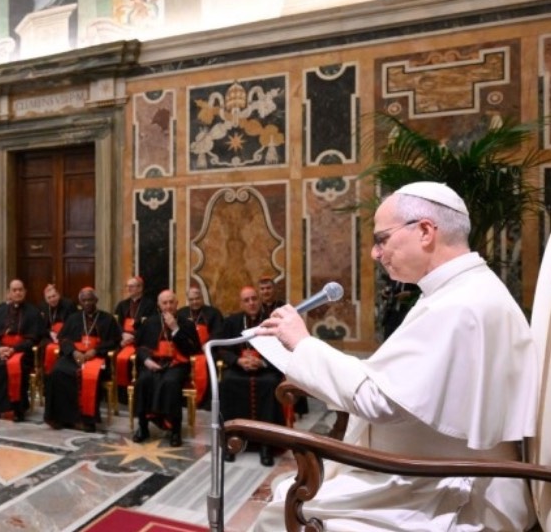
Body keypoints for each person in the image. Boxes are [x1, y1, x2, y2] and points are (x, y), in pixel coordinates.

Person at [252, 182, 538, 530]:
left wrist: (302, 343)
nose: (375, 252)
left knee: (279, 513)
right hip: (426, 472)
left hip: (447, 488)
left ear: (425, 231)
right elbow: (401, 383)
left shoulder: (461, 305)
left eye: (382, 238)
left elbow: (380, 401)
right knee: (286, 497)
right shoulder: (462, 291)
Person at [216, 285, 285, 466]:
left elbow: (282, 350)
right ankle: (231, 441)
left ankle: (266, 445)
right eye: (246, 300)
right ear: (241, 303)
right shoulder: (232, 322)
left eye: (254, 298)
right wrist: (238, 361)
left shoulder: (270, 321)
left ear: (259, 300)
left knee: (270, 385)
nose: (251, 303)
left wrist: (262, 362)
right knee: (227, 383)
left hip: (266, 370)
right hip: (239, 369)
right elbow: (222, 348)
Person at [43, 287, 120, 432]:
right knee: (57, 372)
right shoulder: (73, 318)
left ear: (96, 300)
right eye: (84, 300)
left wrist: (95, 350)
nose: (87, 303)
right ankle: (60, 417)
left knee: (89, 376)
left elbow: (114, 341)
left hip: (96, 357)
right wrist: (73, 352)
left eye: (90, 299)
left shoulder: (107, 319)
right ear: (80, 302)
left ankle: (86, 420)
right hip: (75, 356)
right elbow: (63, 339)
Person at [131, 289, 200, 447]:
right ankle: (143, 427)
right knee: (143, 380)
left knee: (170, 382)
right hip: (153, 363)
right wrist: (147, 360)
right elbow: (139, 346)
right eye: (164, 303)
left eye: (171, 302)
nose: (168, 306)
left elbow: (192, 350)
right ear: (159, 305)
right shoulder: (150, 322)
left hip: (177, 365)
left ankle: (175, 430)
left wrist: (175, 329)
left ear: (177, 304)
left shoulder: (187, 324)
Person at [0, 279, 42, 421]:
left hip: (22, 352)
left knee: (14, 367)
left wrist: (13, 350)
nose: (17, 293)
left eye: (20, 290)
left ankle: (15, 410)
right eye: (14, 290)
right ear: (9, 293)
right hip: (0, 349)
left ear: (25, 292)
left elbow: (33, 340)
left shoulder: (33, 312)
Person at [177, 285, 222, 408]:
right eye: (191, 299)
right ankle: (183, 401)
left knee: (208, 364)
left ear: (202, 297)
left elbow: (218, 332)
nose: (195, 302)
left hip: (206, 350)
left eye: (197, 298)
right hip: (187, 350)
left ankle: (205, 403)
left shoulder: (213, 313)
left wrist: (207, 344)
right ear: (188, 299)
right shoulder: (181, 313)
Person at [113, 276, 157, 393]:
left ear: (140, 288)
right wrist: (122, 335)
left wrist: (135, 337)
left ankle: (136, 391)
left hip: (141, 341)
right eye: (128, 286)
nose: (129, 289)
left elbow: (151, 325)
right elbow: (116, 323)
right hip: (124, 340)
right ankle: (121, 392)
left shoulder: (150, 304)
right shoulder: (122, 305)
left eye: (131, 286)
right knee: (113, 356)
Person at [37, 284, 77, 379]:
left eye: (54, 296)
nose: (52, 299)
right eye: (49, 298)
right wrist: (50, 333)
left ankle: (60, 373)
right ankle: (45, 375)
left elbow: (74, 323)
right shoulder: (42, 307)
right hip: (50, 337)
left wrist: (60, 335)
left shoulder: (68, 304)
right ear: (46, 299)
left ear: (58, 295)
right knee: (42, 346)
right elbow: (40, 325)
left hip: (66, 336)